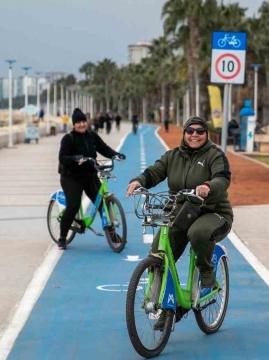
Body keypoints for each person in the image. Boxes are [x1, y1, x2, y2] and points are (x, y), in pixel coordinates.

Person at [126, 116, 233, 327]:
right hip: (182, 211)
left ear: (206, 133)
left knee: (198, 233)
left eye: (200, 131)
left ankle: (206, 272)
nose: (195, 135)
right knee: (158, 254)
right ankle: (169, 306)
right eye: (190, 131)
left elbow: (222, 177)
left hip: (212, 211)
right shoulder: (173, 156)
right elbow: (155, 171)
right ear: (184, 133)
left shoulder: (215, 155)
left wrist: (208, 186)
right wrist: (139, 180)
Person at [57, 108, 126, 250]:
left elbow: (104, 149)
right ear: (74, 124)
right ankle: (62, 238)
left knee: (102, 204)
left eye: (83, 121)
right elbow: (62, 158)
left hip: (90, 175)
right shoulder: (68, 138)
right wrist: (75, 158)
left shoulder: (92, 136)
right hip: (71, 178)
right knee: (73, 205)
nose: (82, 124)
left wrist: (116, 155)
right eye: (78, 122)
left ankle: (113, 236)